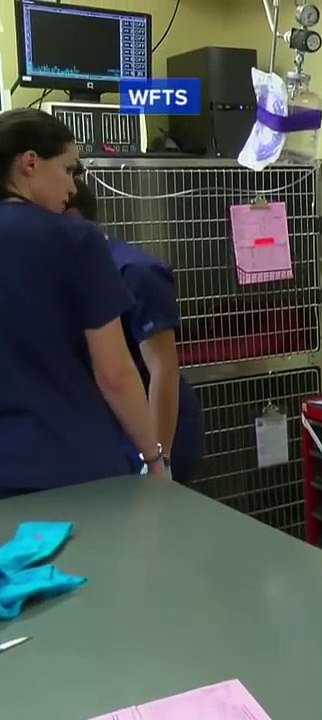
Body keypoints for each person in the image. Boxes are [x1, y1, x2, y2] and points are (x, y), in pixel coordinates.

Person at [0, 108, 165, 496]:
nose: (73, 187)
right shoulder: (76, 240)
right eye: (69, 169)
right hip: (74, 464)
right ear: (30, 163)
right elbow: (114, 372)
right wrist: (154, 457)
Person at [66, 176, 205, 485]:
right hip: (109, 428)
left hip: (156, 424)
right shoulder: (73, 274)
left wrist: (158, 458)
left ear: (71, 219)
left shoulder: (135, 272)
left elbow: (163, 370)